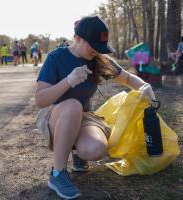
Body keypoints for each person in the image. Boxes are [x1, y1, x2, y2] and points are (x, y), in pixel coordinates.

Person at [35, 15, 156, 200]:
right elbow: (40, 100)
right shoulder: (55, 58)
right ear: (77, 38)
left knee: (95, 149)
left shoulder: (98, 58)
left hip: (82, 116)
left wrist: (144, 87)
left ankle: (78, 152)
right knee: (73, 106)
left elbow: (128, 78)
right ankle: (58, 174)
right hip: (53, 116)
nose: (96, 52)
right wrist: (68, 81)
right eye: (92, 46)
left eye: (100, 48)